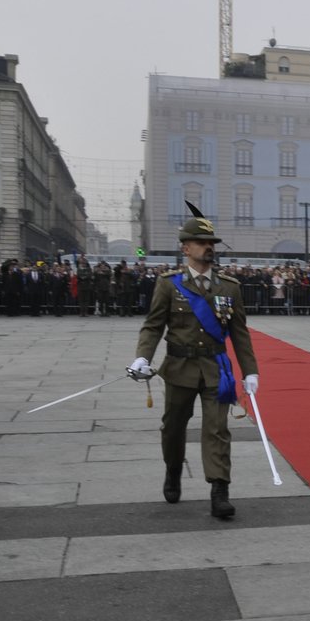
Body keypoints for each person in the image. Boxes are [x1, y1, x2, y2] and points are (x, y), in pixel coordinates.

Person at [130, 201, 260, 519]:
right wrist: (141, 358)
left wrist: (250, 371)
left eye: (211, 243)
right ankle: (173, 470)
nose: (208, 248)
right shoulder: (168, 284)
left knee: (217, 430)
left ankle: (219, 490)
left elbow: (239, 332)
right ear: (186, 248)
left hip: (216, 370)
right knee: (173, 428)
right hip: (178, 368)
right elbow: (153, 325)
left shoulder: (229, 287)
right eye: (202, 243)